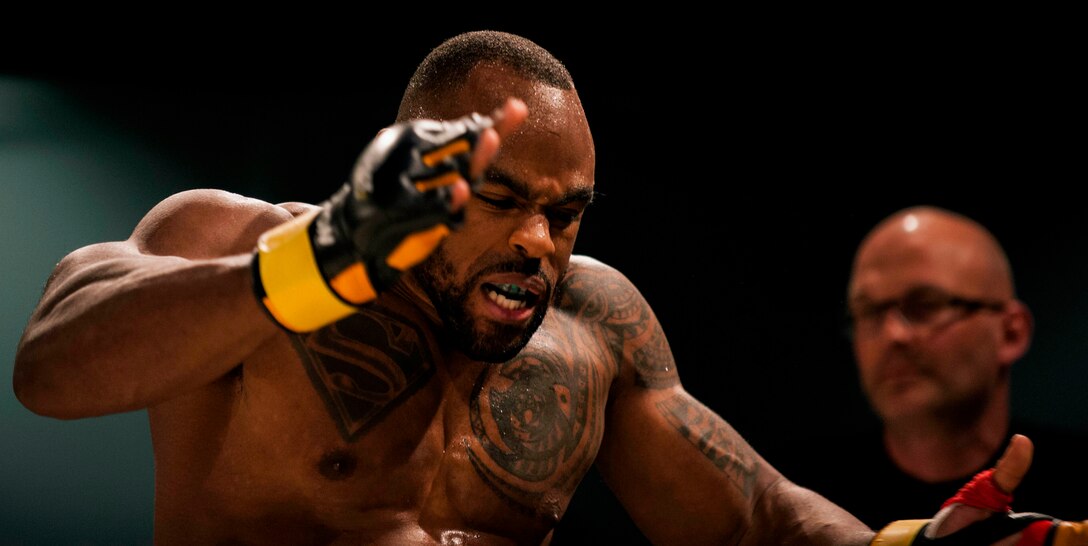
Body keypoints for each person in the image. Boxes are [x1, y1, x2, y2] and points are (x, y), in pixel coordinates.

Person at [10, 31, 1071, 545]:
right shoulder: (241, 243)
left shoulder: (593, 325)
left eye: (565, 212)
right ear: (416, 163)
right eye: (501, 198)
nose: (537, 242)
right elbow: (51, 366)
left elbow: (757, 516)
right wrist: (321, 258)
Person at [771, 205, 1088, 531]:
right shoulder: (793, 505)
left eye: (925, 305)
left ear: (1011, 332)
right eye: (869, 311)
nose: (893, 334)